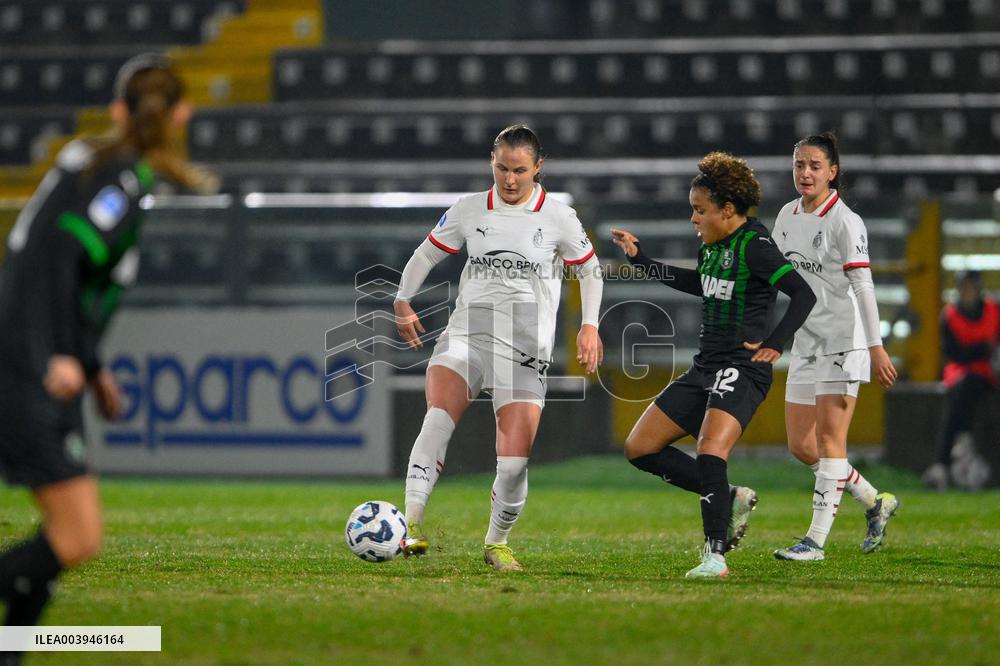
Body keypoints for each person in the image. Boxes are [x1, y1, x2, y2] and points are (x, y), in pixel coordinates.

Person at [0, 53, 204, 654]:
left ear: (118, 109)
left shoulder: (89, 161)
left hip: (26, 350)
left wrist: (90, 366)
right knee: (77, 534)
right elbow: (64, 255)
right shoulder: (118, 180)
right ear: (182, 115)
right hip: (29, 360)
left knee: (69, 533)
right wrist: (64, 356)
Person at [393, 125, 604, 572]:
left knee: (512, 465)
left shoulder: (559, 217)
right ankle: (410, 527)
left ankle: (497, 542)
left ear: (538, 168)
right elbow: (428, 253)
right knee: (437, 418)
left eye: (520, 171)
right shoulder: (470, 209)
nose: (510, 180)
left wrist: (589, 326)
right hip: (469, 333)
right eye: (502, 169)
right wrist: (401, 299)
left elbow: (590, 271)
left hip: (525, 348)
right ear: (492, 161)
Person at [611, 151, 816, 578]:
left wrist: (777, 343)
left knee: (709, 449)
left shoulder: (756, 247)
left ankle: (715, 557)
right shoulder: (713, 245)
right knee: (640, 447)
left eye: (699, 210)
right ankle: (730, 496)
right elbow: (699, 283)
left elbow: (803, 294)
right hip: (705, 365)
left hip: (742, 367)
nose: (693, 219)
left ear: (727, 210)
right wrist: (641, 260)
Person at [771, 132, 899, 561]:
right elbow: (777, 280)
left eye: (814, 166)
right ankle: (875, 501)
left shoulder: (845, 222)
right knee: (800, 445)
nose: (805, 173)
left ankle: (815, 541)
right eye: (799, 165)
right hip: (806, 341)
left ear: (833, 172)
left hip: (845, 342)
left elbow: (862, 286)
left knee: (829, 440)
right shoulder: (786, 215)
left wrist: (876, 346)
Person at [923, 270, 999, 490]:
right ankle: (963, 444)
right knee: (963, 388)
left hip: (987, 373)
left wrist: (981, 352)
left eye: (970, 287)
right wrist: (982, 348)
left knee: (964, 392)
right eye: (963, 287)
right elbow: (955, 354)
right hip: (960, 373)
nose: (966, 292)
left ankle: (942, 461)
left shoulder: (994, 310)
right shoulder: (950, 315)